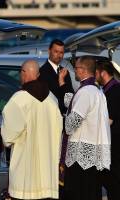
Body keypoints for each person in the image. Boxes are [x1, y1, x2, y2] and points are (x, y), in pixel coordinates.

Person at [1, 59, 63, 199]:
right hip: (47, 175)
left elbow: (8, 137)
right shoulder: (52, 99)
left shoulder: (19, 100)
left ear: (23, 73)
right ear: (38, 74)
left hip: (25, 175)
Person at [63, 56, 111, 200]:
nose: (75, 71)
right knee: (92, 192)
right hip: (91, 154)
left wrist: (63, 117)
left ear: (83, 70)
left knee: (79, 194)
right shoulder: (98, 91)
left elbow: (71, 125)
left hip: (80, 157)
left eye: (76, 68)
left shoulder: (85, 92)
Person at [96, 60, 120, 200]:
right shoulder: (111, 89)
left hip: (115, 146)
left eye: (96, 73)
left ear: (103, 73)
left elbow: (108, 121)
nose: (95, 76)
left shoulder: (114, 91)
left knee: (114, 184)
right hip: (113, 144)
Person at [39, 39, 74, 114]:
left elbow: (70, 96)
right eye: (56, 51)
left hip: (64, 117)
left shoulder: (65, 72)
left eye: (61, 52)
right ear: (49, 51)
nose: (59, 55)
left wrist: (62, 81)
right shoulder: (42, 72)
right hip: (50, 116)